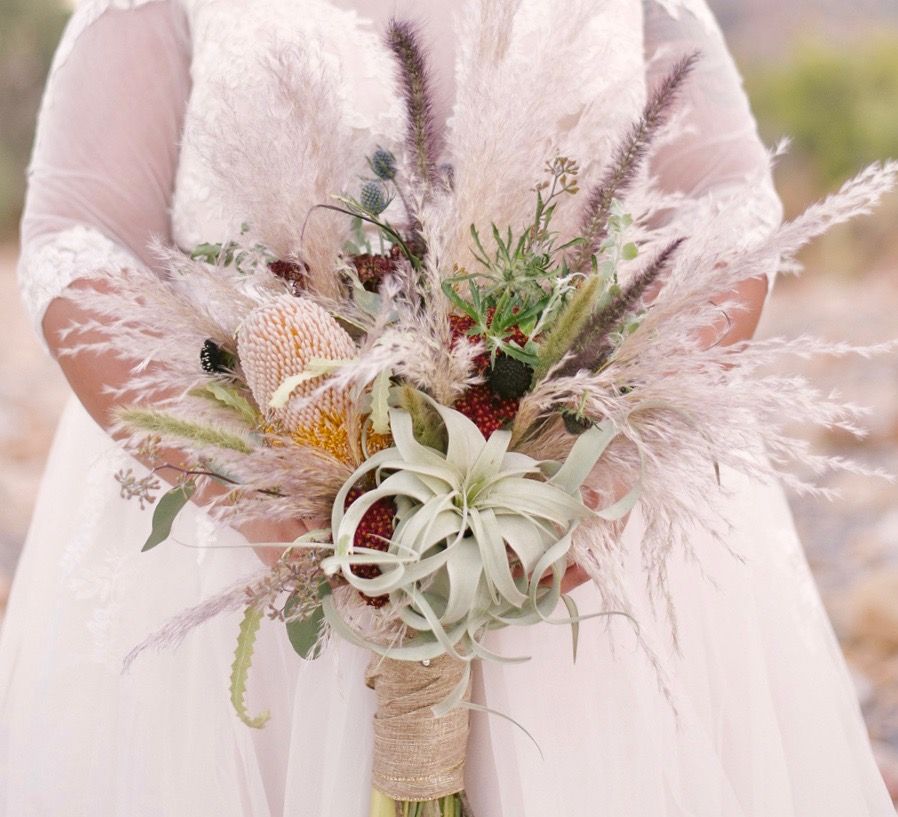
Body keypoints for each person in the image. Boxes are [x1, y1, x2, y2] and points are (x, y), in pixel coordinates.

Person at [2, 1, 893, 814]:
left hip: (575, 516)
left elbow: (724, 200)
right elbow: (78, 232)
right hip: (246, 528)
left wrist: (602, 463)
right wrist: (254, 488)